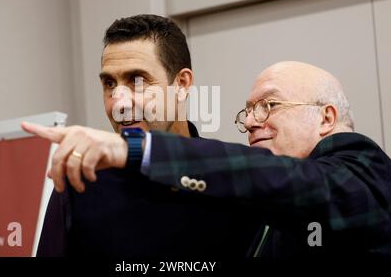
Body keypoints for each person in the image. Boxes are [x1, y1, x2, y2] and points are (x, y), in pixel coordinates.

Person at [23, 60, 391, 257]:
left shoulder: (363, 170)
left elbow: (291, 181)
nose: (249, 121)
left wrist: (134, 148)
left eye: (269, 105)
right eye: (247, 111)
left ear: (326, 117)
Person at [30, 14, 259, 257]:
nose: (119, 102)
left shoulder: (232, 175)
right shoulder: (79, 184)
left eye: (137, 81)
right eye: (109, 83)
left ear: (181, 84)